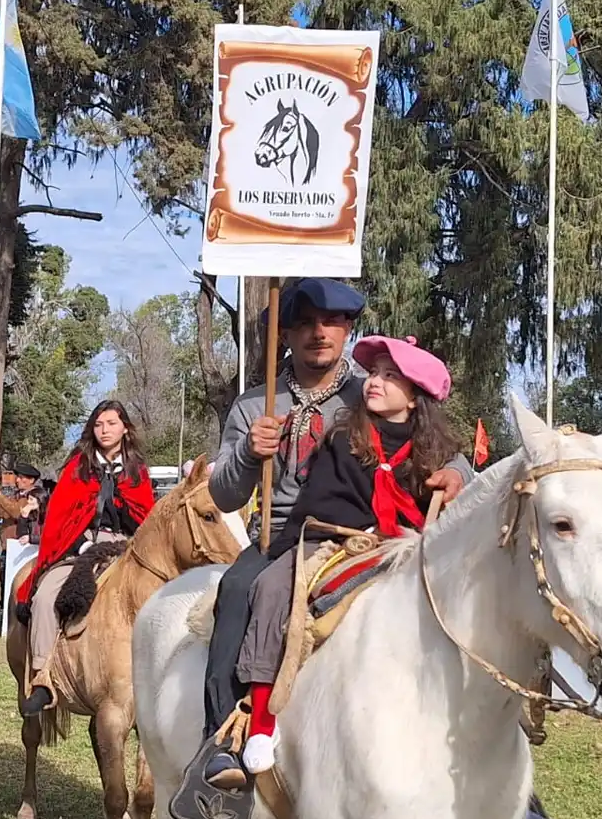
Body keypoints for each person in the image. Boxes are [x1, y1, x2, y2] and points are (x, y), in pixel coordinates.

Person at [199, 279, 467, 783]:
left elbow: (438, 444)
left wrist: (459, 475)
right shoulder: (254, 405)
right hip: (280, 536)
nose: (317, 333)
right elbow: (224, 496)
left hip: (373, 532)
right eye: (302, 324)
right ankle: (222, 741)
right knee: (237, 590)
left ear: (347, 330)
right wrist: (247, 454)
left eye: (331, 322)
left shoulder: (376, 390)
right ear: (287, 335)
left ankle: (500, 767)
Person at [14, 400, 155, 715]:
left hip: (125, 548)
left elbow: (146, 518)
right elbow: (61, 516)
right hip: (79, 547)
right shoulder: (78, 465)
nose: (105, 430)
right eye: (99, 424)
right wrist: (78, 546)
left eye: (111, 424)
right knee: (45, 596)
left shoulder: (137, 469)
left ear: (125, 428)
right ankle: (41, 676)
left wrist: (121, 511)